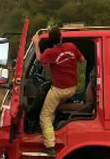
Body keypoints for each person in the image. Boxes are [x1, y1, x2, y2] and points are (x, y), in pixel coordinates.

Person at [33, 27, 84, 156]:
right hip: (72, 89)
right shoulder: (71, 46)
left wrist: (35, 43)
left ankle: (50, 146)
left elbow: (39, 59)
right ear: (61, 37)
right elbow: (82, 60)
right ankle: (52, 127)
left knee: (44, 116)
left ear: (51, 40)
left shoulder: (51, 52)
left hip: (59, 91)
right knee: (52, 109)